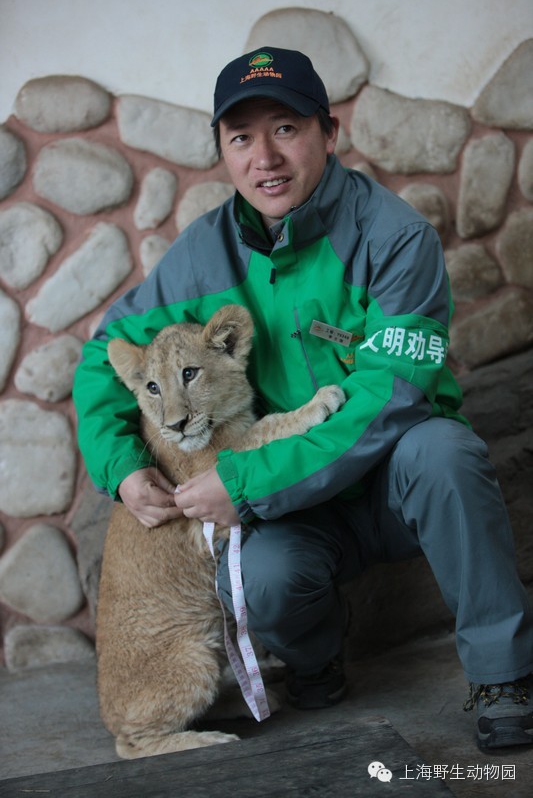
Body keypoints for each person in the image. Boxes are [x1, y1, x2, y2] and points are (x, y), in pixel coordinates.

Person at [73, 46, 533, 750]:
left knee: (444, 452)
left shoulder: (396, 237)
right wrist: (122, 467)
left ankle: (502, 673)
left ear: (328, 132)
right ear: (223, 154)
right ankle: (316, 665)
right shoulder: (201, 255)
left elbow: (390, 397)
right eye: (241, 138)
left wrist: (245, 481)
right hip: (295, 503)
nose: (265, 157)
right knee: (262, 573)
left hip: (389, 479)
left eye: (285, 128)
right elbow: (104, 357)